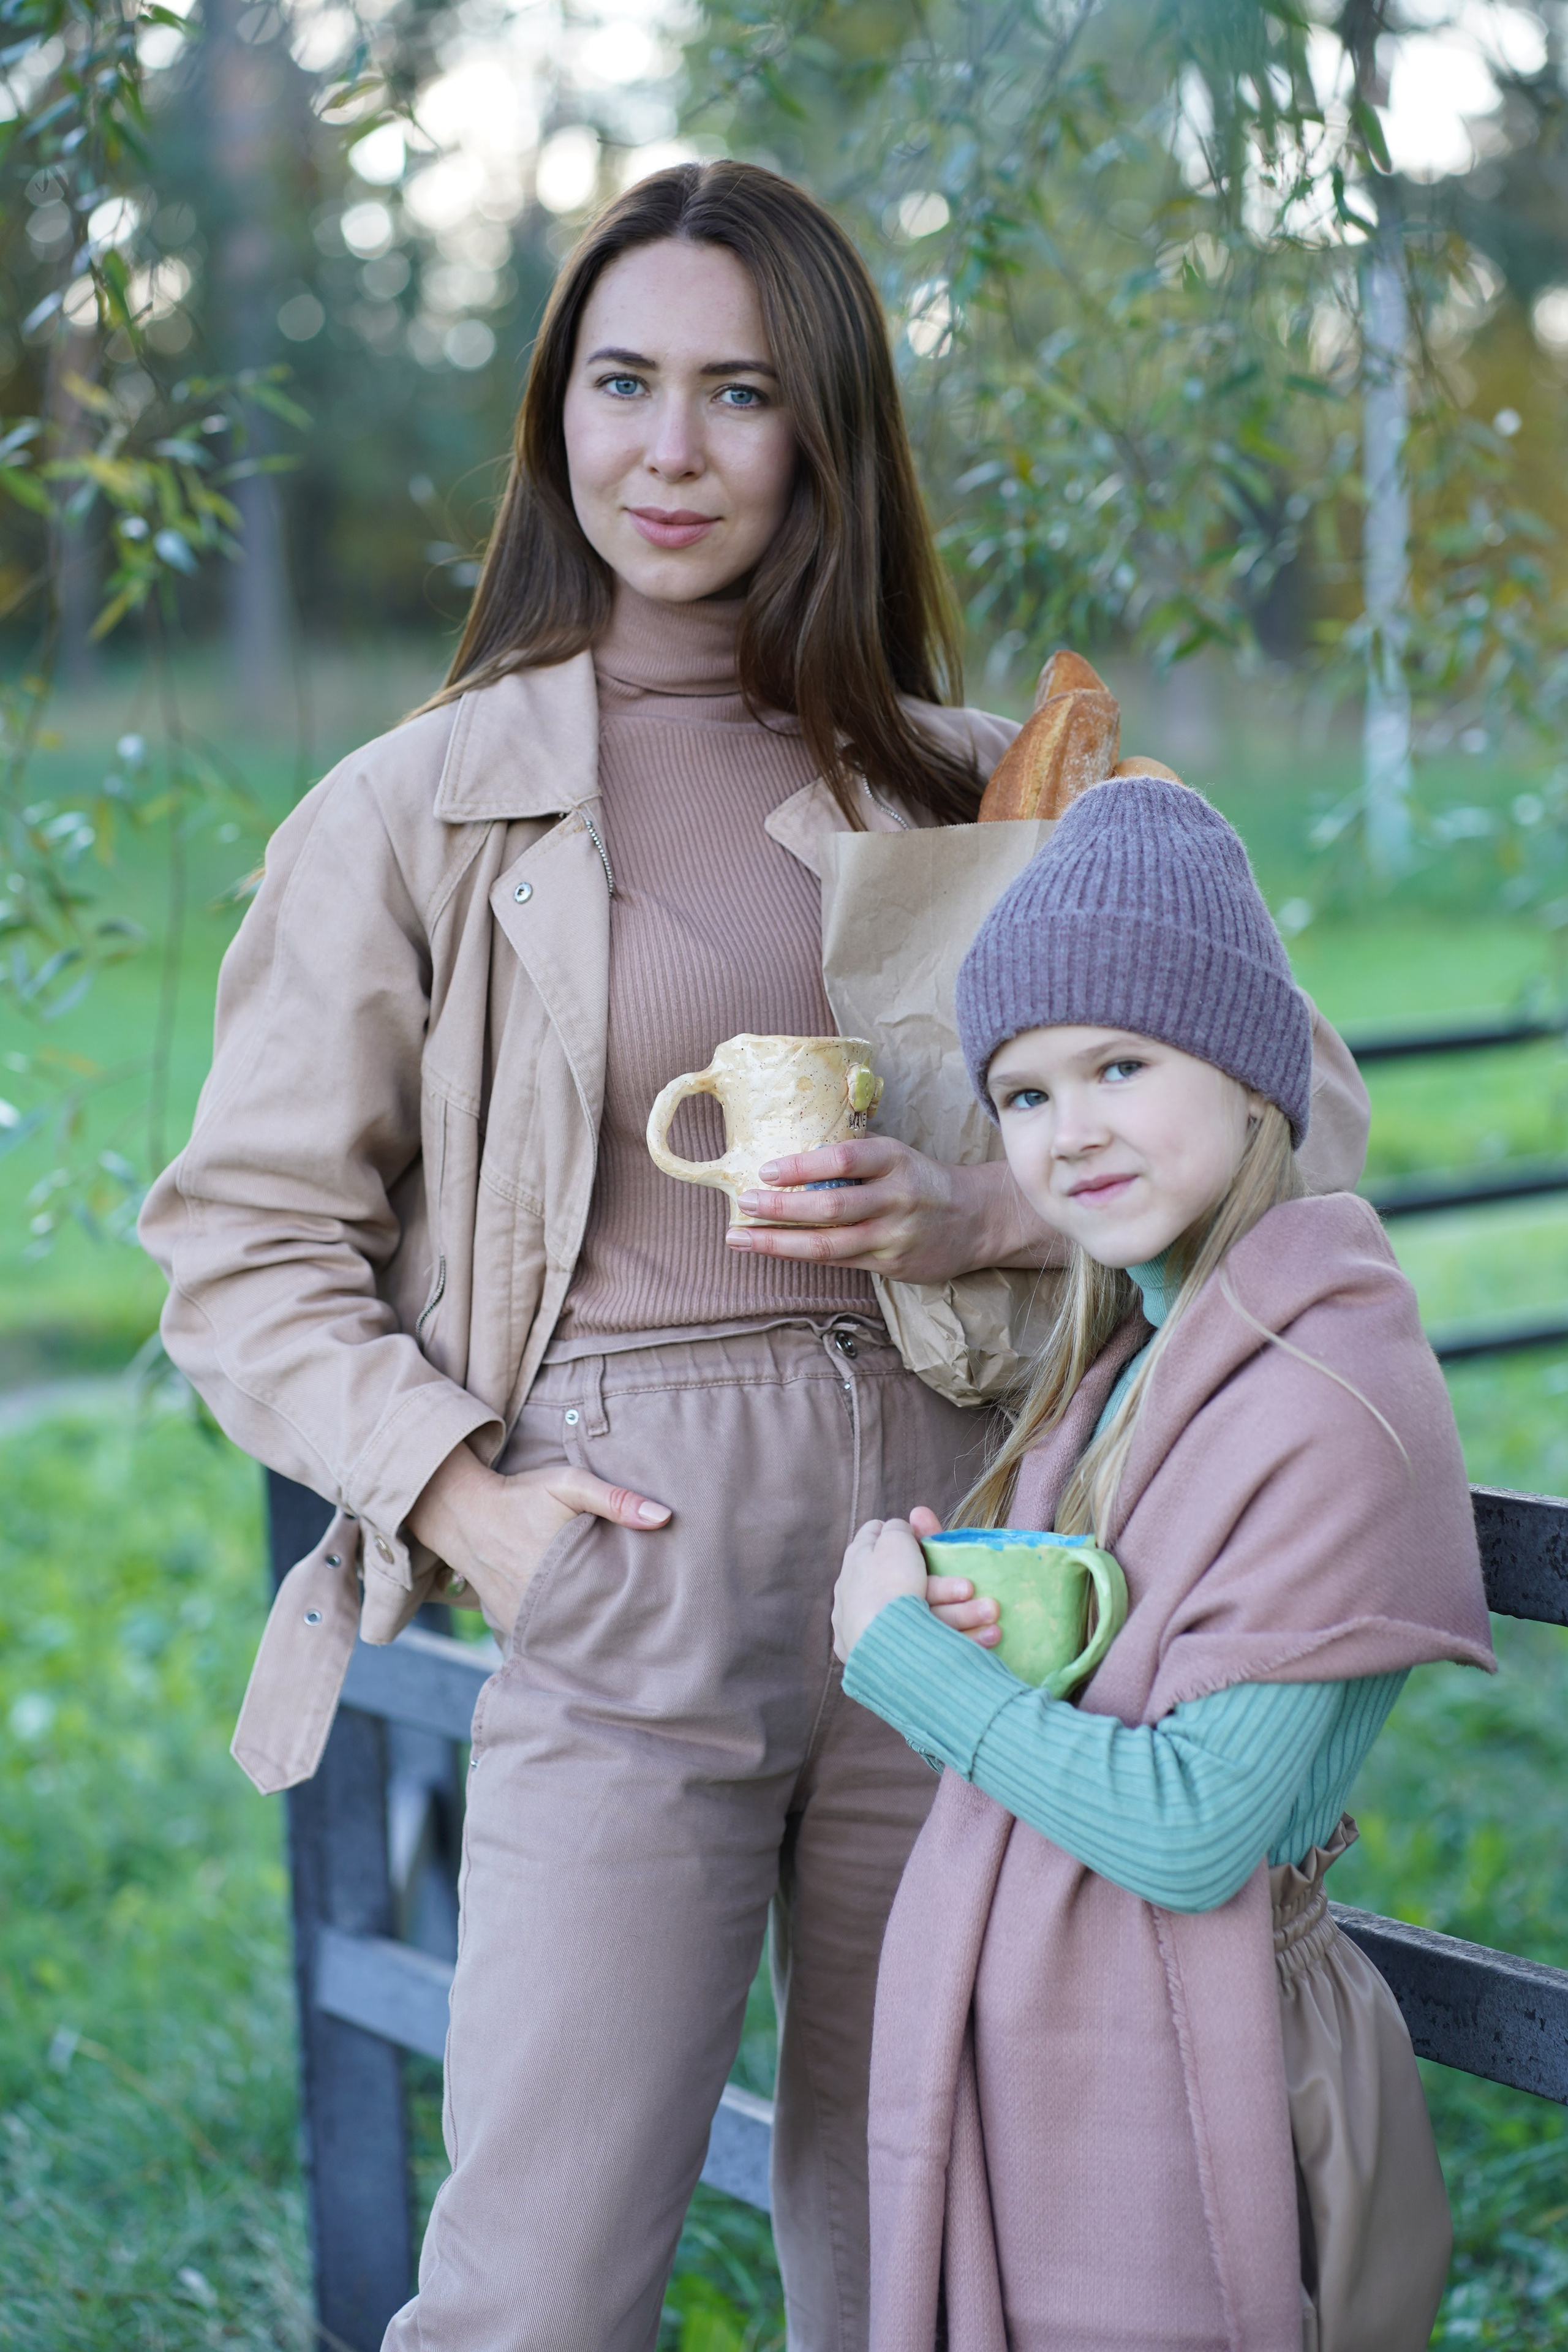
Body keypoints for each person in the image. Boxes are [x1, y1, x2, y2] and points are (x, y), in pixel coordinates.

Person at [141, 164, 1367, 2352]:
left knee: (928, 2254)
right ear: (557, 419)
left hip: (974, 1561)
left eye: (741, 393)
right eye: (624, 384)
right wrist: (467, 1506)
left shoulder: (990, 791)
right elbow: (241, 1247)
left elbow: (1308, 1110)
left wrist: (990, 1200)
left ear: (829, 436)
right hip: (628, 1548)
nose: (672, 449)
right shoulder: (414, 809)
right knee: (538, 2279)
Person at [831, 774, 1496, 2352]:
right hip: (1074, 2045)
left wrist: (907, 1661)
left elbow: (1198, 1829)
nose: (1072, 1135)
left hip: (1214, 2081)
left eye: (1121, 1065)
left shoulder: (1326, 1395)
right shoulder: (1139, 1356)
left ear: (1252, 1073)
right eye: (1028, 1096)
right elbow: (1139, 1660)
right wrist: (994, 1621)